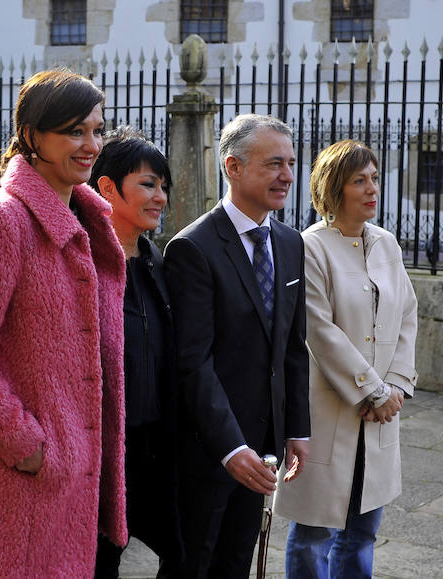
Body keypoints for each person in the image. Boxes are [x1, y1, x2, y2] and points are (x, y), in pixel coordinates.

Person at [0, 69, 127, 577]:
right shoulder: (1, 223)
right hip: (10, 482)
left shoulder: (87, 222)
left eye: (96, 129)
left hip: (66, 481)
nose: (91, 145)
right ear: (31, 136)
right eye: (74, 131)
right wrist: (26, 446)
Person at [162, 113, 311, 578]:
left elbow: (291, 344)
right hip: (210, 453)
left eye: (290, 163)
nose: (287, 176)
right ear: (233, 167)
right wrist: (230, 449)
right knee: (193, 566)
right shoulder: (193, 248)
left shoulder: (289, 243)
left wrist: (297, 429)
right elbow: (193, 363)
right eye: (273, 164)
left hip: (264, 448)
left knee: (236, 565)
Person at [273, 139, 419, 577]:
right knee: (315, 532)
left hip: (379, 413)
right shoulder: (311, 247)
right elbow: (318, 329)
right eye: (359, 180)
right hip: (329, 410)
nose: (372, 188)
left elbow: (407, 315)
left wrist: (394, 386)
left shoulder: (386, 244)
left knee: (363, 532)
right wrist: (373, 389)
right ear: (335, 189)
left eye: (374, 178)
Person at [88, 127, 183, 577]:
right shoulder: (81, 264)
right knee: (101, 560)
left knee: (183, 551)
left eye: (163, 186)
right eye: (148, 184)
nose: (160, 197)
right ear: (107, 187)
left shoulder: (158, 262)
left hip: (155, 447)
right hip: (102, 450)